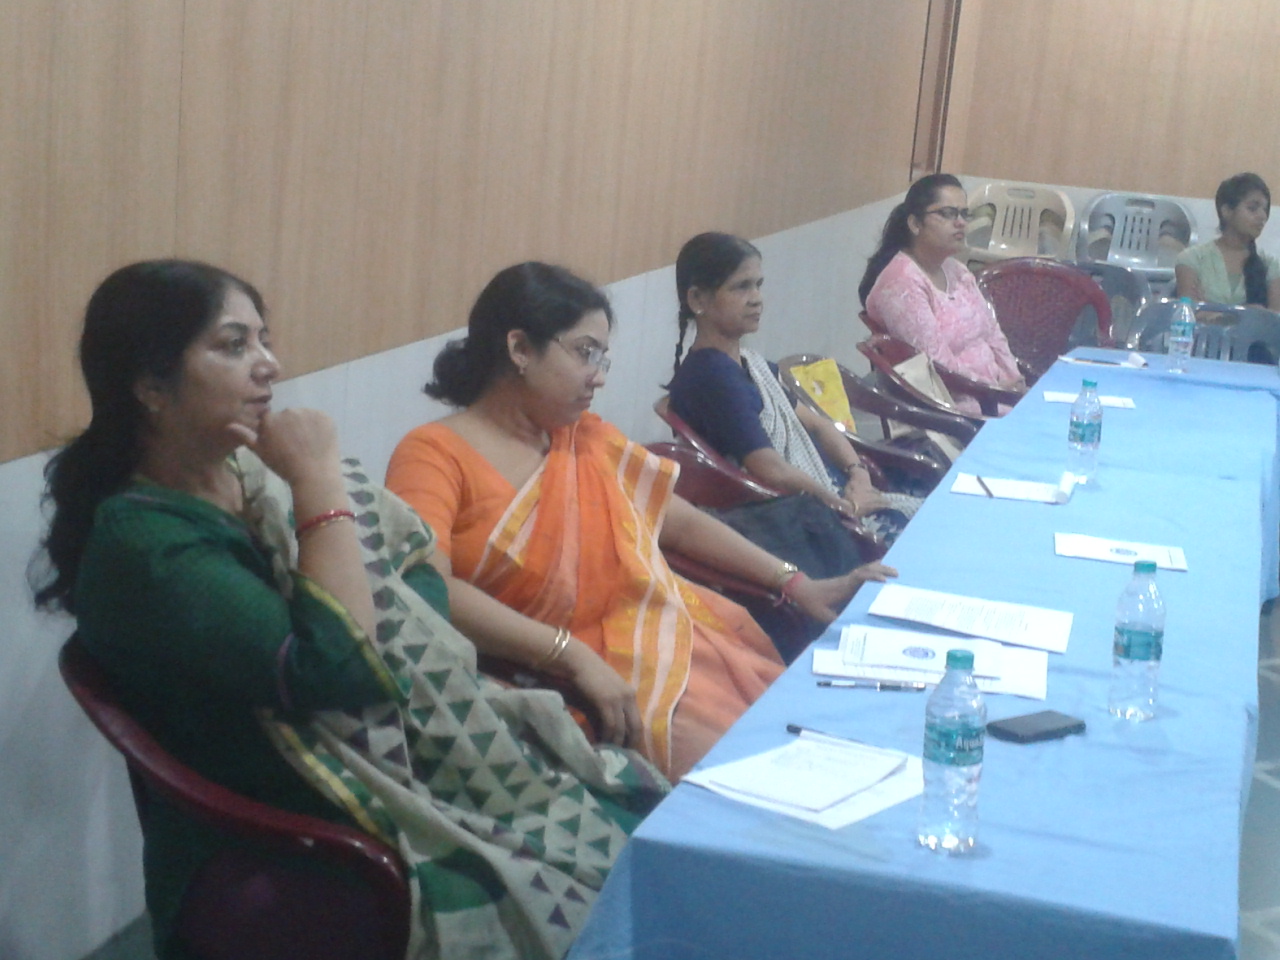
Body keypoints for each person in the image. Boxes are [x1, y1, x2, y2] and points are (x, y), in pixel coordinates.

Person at [32, 260, 671, 960]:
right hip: (292, 801)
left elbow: (412, 572)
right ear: (151, 386)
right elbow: (341, 669)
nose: (269, 365)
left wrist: (367, 593)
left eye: (264, 339)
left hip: (384, 745)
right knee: (562, 871)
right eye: (234, 345)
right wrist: (317, 483)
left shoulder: (245, 470)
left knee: (620, 800)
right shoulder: (146, 545)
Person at [385, 262, 895, 780]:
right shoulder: (432, 454)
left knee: (812, 745)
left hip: (668, 644)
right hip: (556, 682)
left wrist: (794, 581)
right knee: (753, 779)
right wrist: (570, 656)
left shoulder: (582, 437)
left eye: (601, 357)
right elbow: (428, 591)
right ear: (519, 349)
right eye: (585, 353)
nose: (599, 376)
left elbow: (677, 521)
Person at [666, 232, 921, 540]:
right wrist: (845, 507)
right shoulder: (713, 379)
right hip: (789, 518)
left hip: (827, 495)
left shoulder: (750, 364)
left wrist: (859, 476)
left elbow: (818, 425)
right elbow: (773, 471)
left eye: (758, 285)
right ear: (697, 300)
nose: (757, 298)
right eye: (741, 287)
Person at [860, 173, 1025, 415]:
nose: (960, 223)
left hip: (995, 392)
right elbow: (938, 367)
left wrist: (1014, 380)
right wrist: (995, 391)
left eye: (964, 214)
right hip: (954, 404)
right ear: (915, 224)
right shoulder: (901, 284)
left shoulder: (956, 269)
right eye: (948, 214)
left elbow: (992, 332)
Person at [1175, 172, 1280, 310]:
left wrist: (1212, 310)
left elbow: (1274, 319)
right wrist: (1249, 313)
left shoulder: (1270, 266)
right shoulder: (1192, 259)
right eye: (1252, 208)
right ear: (1226, 211)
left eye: (1265, 210)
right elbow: (1189, 313)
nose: (1262, 216)